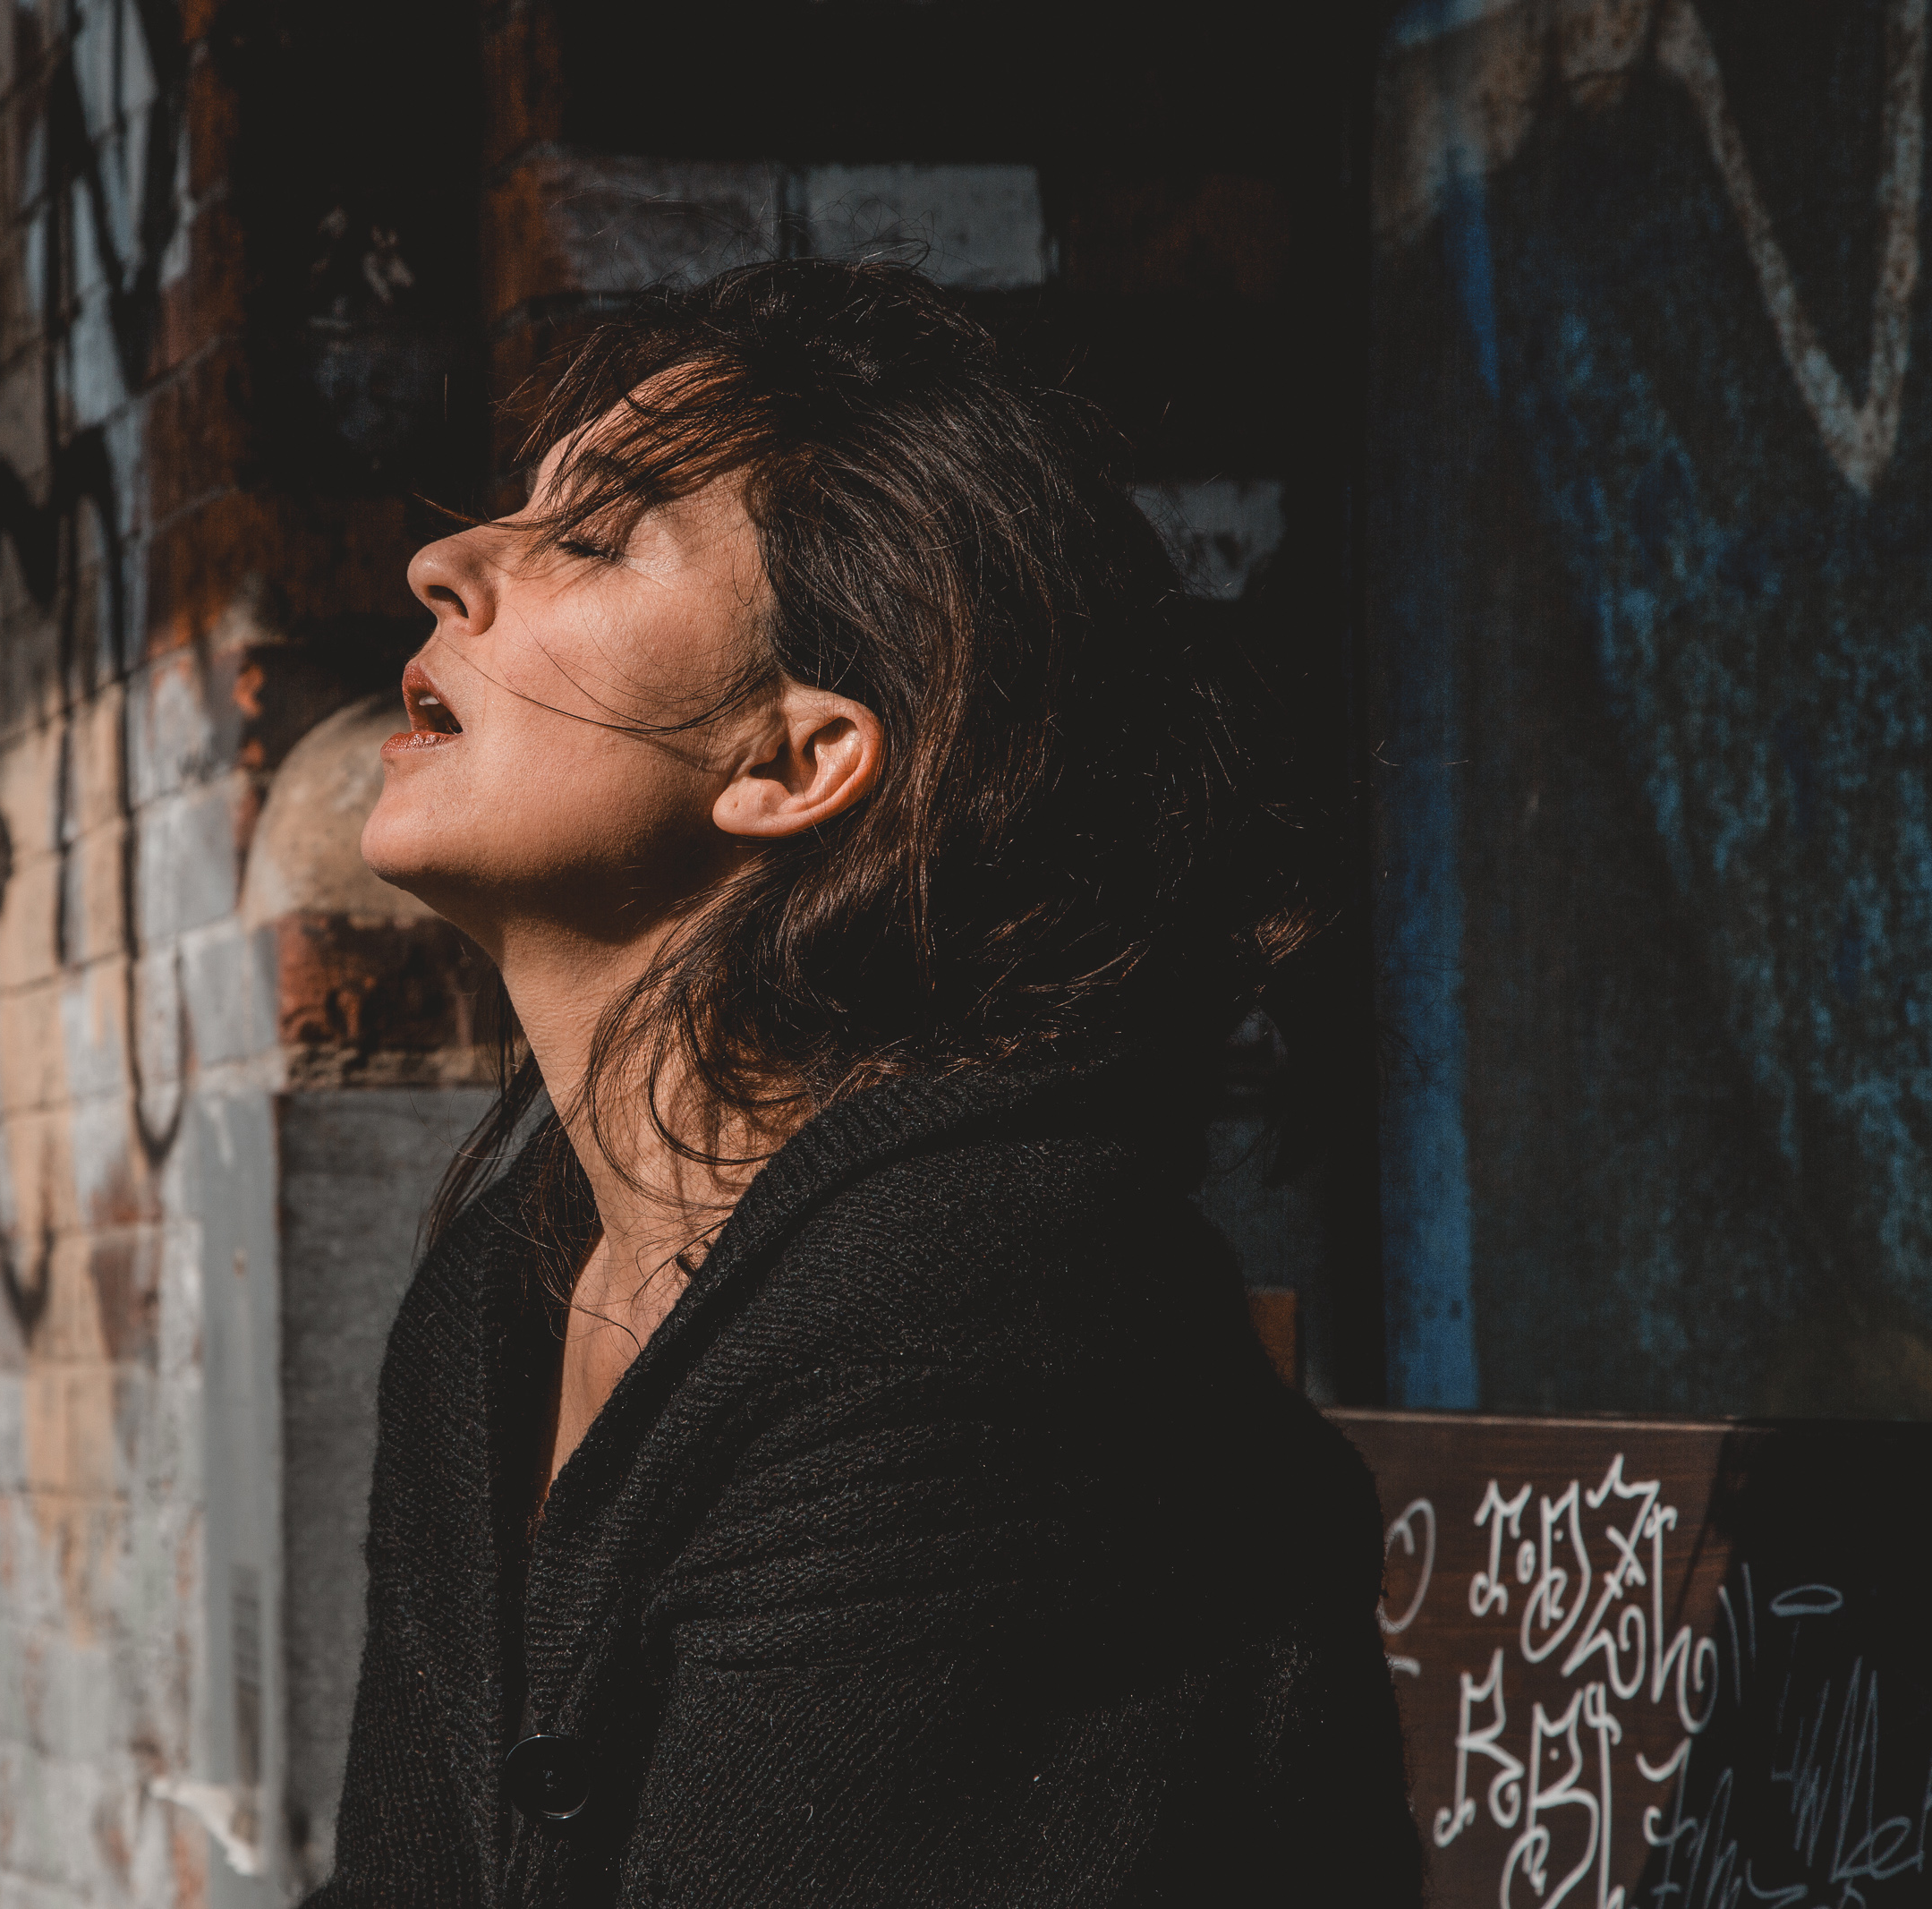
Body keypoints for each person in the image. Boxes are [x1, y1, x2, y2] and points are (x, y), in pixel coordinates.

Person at [308, 259, 1422, 1906]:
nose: (443, 563)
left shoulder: (984, 1316)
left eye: (592, 538)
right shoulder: (500, 1301)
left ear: (794, 757)